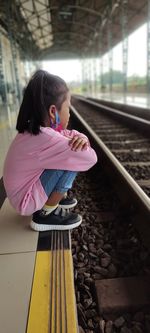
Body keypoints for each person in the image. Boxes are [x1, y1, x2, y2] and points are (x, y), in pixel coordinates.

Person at [3, 70, 97, 232]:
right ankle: (46, 214)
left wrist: (80, 137)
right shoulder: (47, 138)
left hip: (20, 194)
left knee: (67, 153)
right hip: (26, 202)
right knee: (71, 161)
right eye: (68, 107)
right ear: (53, 112)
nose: (69, 113)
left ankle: (49, 201)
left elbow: (64, 135)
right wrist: (80, 142)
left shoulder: (35, 130)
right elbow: (90, 158)